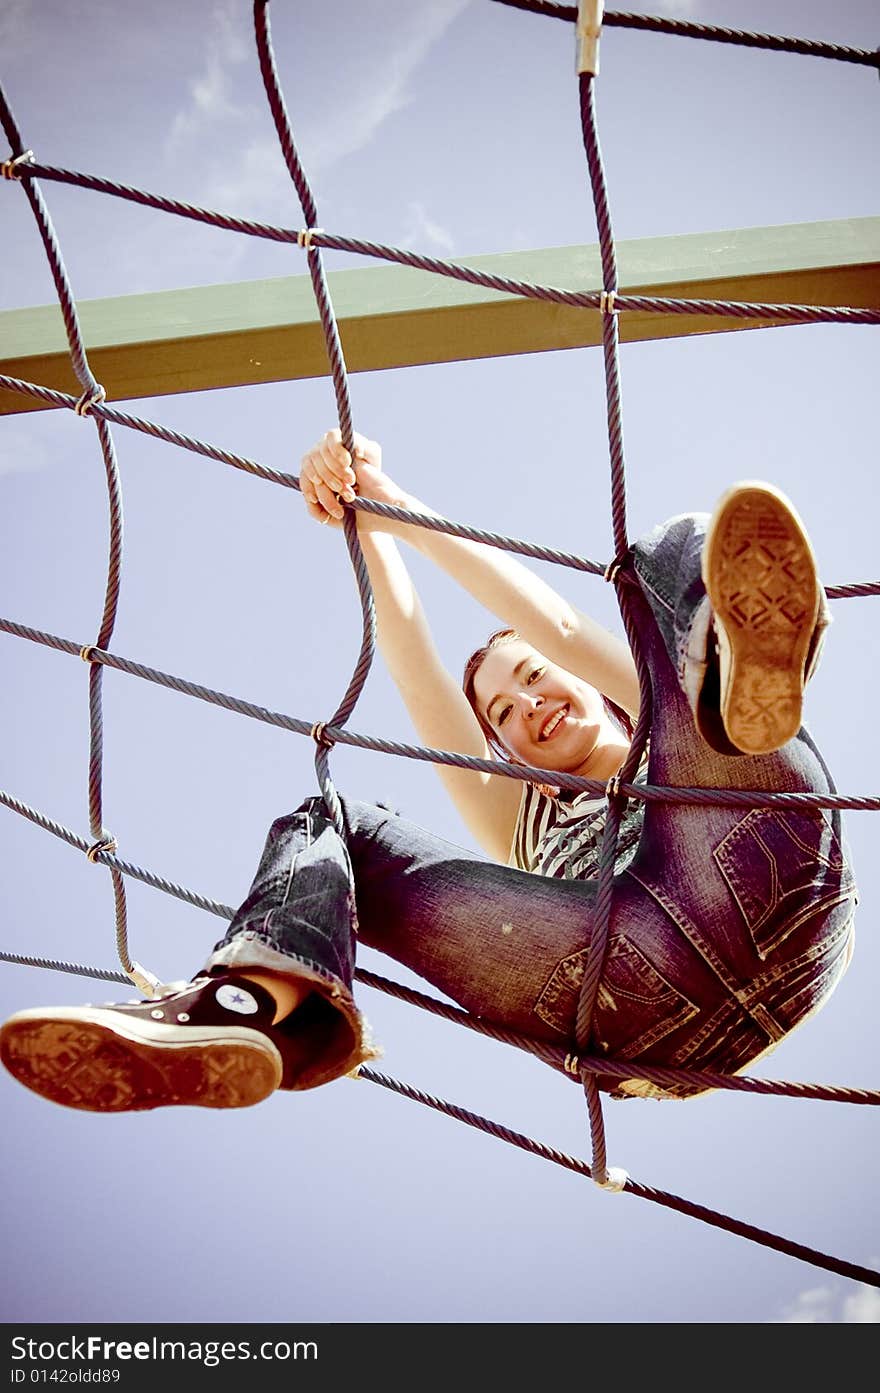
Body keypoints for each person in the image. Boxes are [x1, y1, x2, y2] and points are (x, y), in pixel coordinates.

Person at [0, 432, 857, 1110]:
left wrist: (399, 501)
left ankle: (738, 663)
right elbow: (412, 660)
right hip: (624, 990)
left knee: (667, 555)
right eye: (504, 716)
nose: (529, 706)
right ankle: (246, 1011)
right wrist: (364, 519)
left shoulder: (660, 721)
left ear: (594, 689)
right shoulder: (517, 821)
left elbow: (557, 622)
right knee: (327, 819)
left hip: (762, 867)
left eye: (533, 680)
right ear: (506, 754)